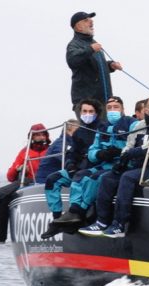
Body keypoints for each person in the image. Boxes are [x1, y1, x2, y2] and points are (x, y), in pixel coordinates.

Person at [80, 97, 149, 238]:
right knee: (109, 177)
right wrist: (122, 160)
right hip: (141, 167)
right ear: (146, 110)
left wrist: (134, 152)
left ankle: (120, 224)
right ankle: (102, 221)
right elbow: (129, 145)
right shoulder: (140, 126)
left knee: (128, 178)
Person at [52, 96, 133, 226]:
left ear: (123, 109)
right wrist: (100, 154)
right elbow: (90, 152)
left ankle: (82, 212)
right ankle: (69, 213)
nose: (113, 110)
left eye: (116, 107)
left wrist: (120, 152)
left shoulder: (131, 123)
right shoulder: (102, 129)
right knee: (74, 177)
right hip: (103, 164)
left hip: (121, 165)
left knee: (95, 178)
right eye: (110, 108)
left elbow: (135, 144)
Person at [0, 123, 50, 244]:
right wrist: (19, 169)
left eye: (43, 134)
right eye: (37, 135)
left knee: (0, 194)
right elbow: (10, 176)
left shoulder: (52, 149)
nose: (40, 137)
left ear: (46, 136)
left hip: (43, 181)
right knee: (2, 200)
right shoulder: (24, 152)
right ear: (31, 137)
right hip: (26, 183)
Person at [43, 100, 100, 221]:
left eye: (91, 111)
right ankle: (57, 216)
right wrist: (70, 163)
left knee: (81, 178)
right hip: (78, 167)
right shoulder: (78, 132)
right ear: (80, 113)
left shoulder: (102, 129)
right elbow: (72, 152)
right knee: (52, 180)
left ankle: (76, 213)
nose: (87, 114)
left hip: (94, 168)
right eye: (84, 111)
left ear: (97, 113)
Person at [67, 11, 123, 110]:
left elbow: (94, 65)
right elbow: (73, 60)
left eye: (90, 19)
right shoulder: (73, 45)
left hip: (104, 101)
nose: (91, 22)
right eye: (86, 20)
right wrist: (90, 49)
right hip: (86, 104)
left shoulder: (93, 43)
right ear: (78, 26)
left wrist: (110, 65)